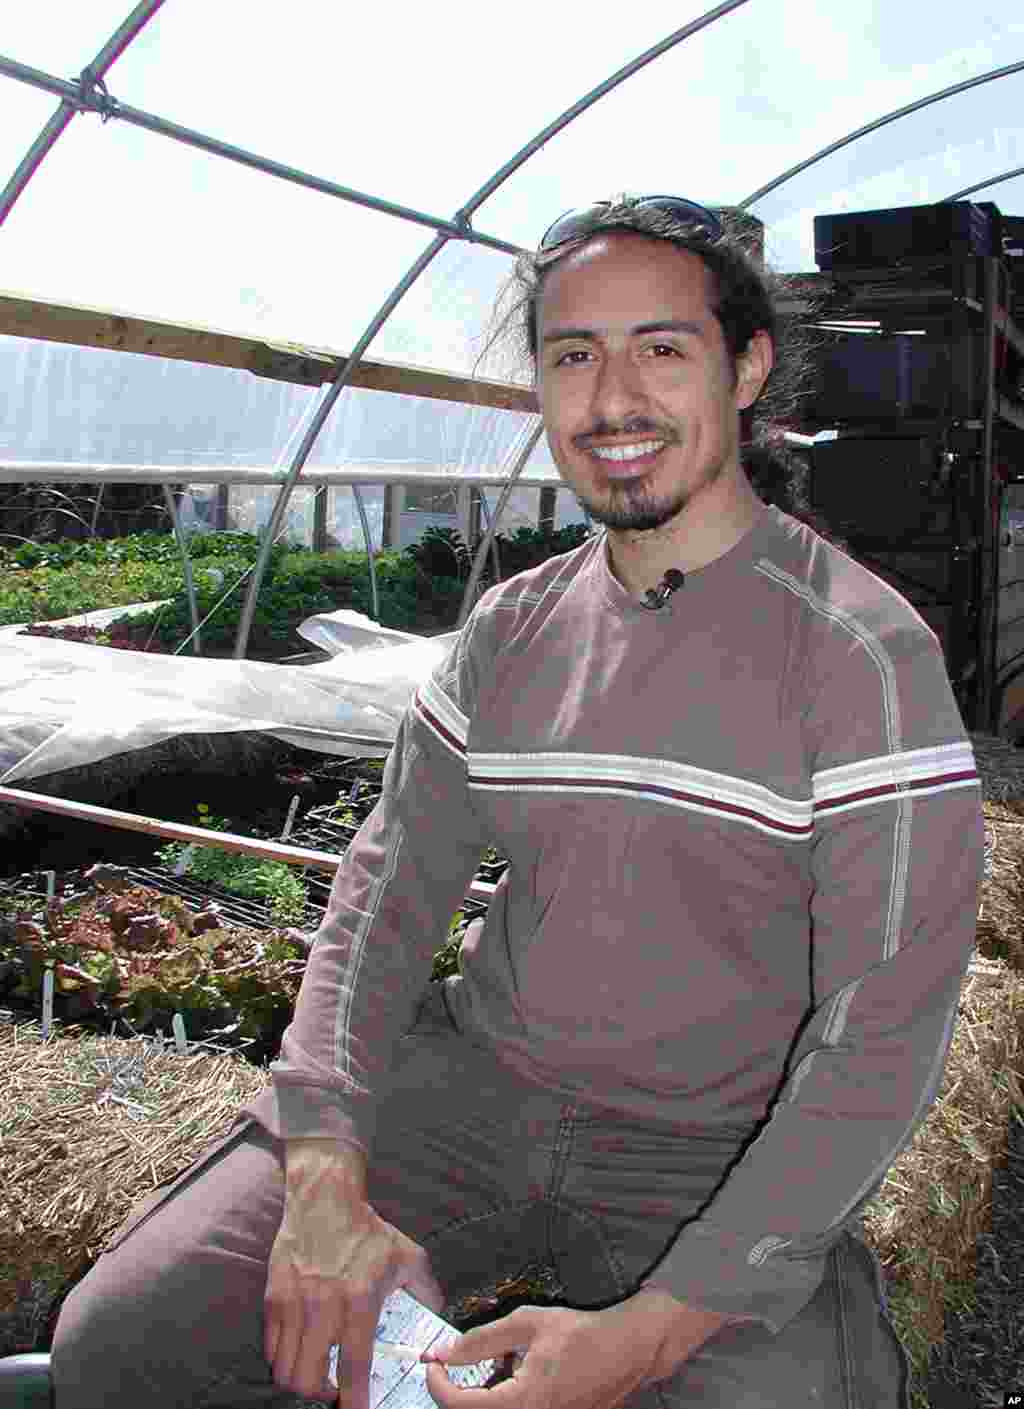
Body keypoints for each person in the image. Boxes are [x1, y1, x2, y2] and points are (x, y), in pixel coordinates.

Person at [51, 197, 984, 1409]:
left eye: (661, 347)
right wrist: (327, 1167)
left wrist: (650, 1333)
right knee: (120, 1339)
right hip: (476, 1086)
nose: (611, 399)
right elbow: (384, 897)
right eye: (571, 355)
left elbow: (882, 1027)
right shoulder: (512, 628)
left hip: (715, 1140)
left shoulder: (859, 654)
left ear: (746, 366)